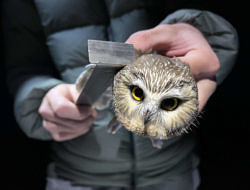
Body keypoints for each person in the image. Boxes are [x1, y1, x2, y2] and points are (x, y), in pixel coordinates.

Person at [3, 0, 238, 189]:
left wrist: (203, 34)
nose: (147, 113)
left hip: (174, 168)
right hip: (77, 172)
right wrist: (42, 97)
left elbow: (214, 25)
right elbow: (23, 67)